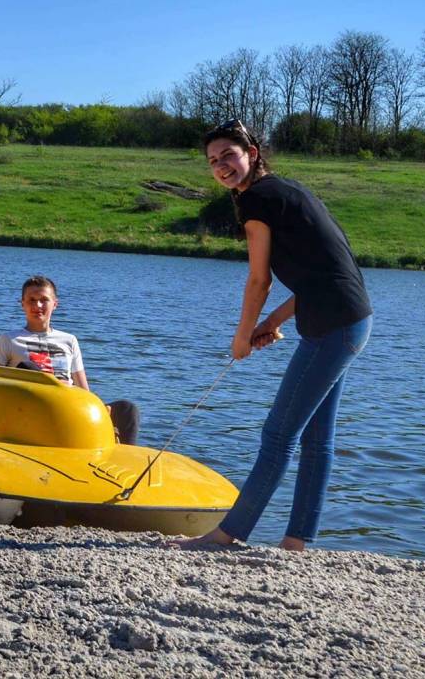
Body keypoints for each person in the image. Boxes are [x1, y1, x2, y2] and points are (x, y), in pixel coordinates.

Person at [172, 119, 372, 552]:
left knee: (278, 436)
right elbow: (321, 274)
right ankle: (297, 542)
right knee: (317, 439)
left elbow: (259, 280)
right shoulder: (285, 190)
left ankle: (228, 535)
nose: (221, 166)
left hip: (334, 326)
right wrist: (273, 323)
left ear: (252, 153)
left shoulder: (256, 201)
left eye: (229, 155)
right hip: (348, 322)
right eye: (213, 161)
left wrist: (242, 337)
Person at [0, 275, 140, 445]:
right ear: (22, 304)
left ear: (55, 304)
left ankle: (119, 454)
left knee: (127, 409)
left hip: (70, 407)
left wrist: (96, 409)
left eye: (44, 300)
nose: (38, 306)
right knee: (27, 368)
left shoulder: (69, 340)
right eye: (31, 300)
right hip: (33, 409)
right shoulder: (8, 340)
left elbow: (84, 390)